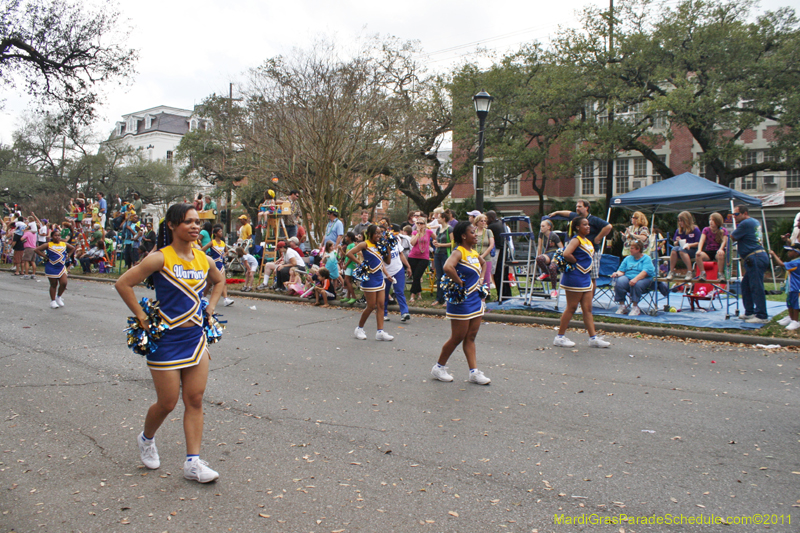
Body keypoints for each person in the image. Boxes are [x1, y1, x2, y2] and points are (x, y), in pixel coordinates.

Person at [115, 203, 225, 483]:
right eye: (188, 221)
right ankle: (146, 438)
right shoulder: (159, 259)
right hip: (166, 339)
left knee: (195, 399)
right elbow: (123, 283)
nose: (195, 226)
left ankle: (193, 463)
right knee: (167, 402)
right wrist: (141, 316)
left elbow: (219, 280)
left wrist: (211, 306)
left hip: (195, 339)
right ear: (172, 225)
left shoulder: (204, 259)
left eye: (197, 222)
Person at [430, 221, 491, 385]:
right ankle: (438, 367)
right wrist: (459, 282)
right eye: (472, 232)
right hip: (461, 301)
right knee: (457, 337)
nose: (476, 234)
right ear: (463, 236)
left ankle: (474, 372)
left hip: (475, 300)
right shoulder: (459, 252)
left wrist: (481, 280)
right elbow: (447, 267)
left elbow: (484, 263)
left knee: (471, 337)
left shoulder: (472, 252)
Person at [553, 217, 611, 348]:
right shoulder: (575, 240)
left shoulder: (587, 240)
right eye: (585, 225)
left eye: (588, 224)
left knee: (587, 309)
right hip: (575, 277)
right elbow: (567, 253)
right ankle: (559, 337)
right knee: (572, 307)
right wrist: (576, 263)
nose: (588, 227)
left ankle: (593, 338)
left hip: (585, 277)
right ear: (577, 227)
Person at [548, 200, 612, 297]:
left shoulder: (594, 219)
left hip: (592, 252)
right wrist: (556, 212)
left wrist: (598, 238)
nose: (577, 208)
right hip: (578, 253)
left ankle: (588, 300)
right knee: (578, 274)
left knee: (591, 277)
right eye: (577, 206)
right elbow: (567, 213)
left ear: (586, 207)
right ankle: (579, 299)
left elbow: (608, 226)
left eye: (580, 206)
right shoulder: (576, 218)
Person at [346, 224, 394, 341]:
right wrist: (361, 263)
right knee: (371, 306)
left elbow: (385, 261)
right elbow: (349, 254)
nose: (379, 235)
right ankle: (359, 329)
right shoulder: (365, 244)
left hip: (379, 277)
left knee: (381, 305)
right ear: (371, 233)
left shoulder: (380, 245)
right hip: (369, 278)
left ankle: (380, 332)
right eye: (376, 233)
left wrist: (388, 249)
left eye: (380, 233)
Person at [731, 205, 769, 323]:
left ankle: (761, 315)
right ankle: (749, 312)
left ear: (744, 213)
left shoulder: (745, 223)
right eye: (733, 214)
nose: (734, 217)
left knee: (756, 286)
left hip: (755, 257)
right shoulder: (754, 222)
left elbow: (732, 237)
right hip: (757, 256)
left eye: (736, 214)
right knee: (746, 285)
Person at [611, 241, 656, 316]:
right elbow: (622, 271)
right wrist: (616, 274)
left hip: (644, 278)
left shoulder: (646, 258)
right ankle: (622, 305)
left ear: (638, 249)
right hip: (628, 277)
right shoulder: (628, 258)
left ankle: (635, 307)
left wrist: (635, 279)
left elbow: (645, 272)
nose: (630, 250)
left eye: (632, 248)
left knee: (636, 284)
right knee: (619, 281)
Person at [34, 230, 75, 308]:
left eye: (59, 235)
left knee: (64, 283)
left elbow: (73, 248)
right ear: (52, 236)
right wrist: (45, 257)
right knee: (53, 284)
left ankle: (58, 297)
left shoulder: (64, 244)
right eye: (56, 235)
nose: (58, 237)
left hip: (61, 267)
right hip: (52, 266)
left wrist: (68, 255)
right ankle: (53, 301)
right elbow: (36, 250)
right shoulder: (48, 244)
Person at [384, 226, 412, 322]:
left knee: (399, 291)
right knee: (385, 293)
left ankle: (404, 312)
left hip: (398, 269)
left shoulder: (395, 242)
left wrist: (408, 266)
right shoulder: (380, 246)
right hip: (386, 272)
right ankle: (383, 313)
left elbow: (401, 254)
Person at [202, 224, 234, 307]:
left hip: (221, 264)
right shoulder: (212, 242)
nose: (221, 233)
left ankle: (226, 299)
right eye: (219, 232)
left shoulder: (223, 243)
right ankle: (203, 296)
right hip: (214, 265)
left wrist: (225, 254)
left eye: (221, 231)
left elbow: (227, 251)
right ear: (215, 234)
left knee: (223, 282)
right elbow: (202, 250)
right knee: (209, 283)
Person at [770, 243, 800, 330]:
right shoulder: (794, 262)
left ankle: (795, 321)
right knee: (789, 302)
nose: (788, 253)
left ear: (797, 252)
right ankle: (791, 318)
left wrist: (773, 254)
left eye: (790, 251)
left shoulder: (796, 262)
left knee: (795, 304)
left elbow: (782, 264)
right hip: (791, 286)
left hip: (796, 287)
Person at [666, 211, 702, 281]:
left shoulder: (695, 230)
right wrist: (677, 241)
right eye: (679, 221)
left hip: (692, 250)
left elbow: (699, 243)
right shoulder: (678, 231)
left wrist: (689, 245)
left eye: (682, 221)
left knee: (681, 251)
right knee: (674, 249)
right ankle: (671, 271)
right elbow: (675, 243)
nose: (680, 223)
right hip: (681, 249)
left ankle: (689, 271)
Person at [408, 215, 435, 303]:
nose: (419, 224)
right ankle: (419, 293)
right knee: (416, 276)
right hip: (413, 256)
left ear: (425, 224)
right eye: (418, 223)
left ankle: (412, 294)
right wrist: (418, 233)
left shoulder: (429, 232)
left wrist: (435, 243)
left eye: (421, 223)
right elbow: (412, 243)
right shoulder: (415, 232)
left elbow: (437, 238)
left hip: (424, 257)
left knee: (417, 275)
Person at [696, 212, 729, 281]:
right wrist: (699, 249)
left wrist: (721, 249)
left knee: (720, 255)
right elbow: (701, 240)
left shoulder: (723, 230)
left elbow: (724, 241)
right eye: (710, 220)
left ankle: (720, 274)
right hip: (708, 251)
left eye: (713, 220)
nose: (711, 222)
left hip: (717, 250)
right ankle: (702, 273)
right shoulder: (706, 229)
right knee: (698, 255)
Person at [486, 211, 512, 299]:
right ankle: (507, 294)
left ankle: (500, 295)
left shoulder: (491, 227)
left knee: (497, 274)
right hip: (504, 250)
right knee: (504, 274)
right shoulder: (501, 223)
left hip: (497, 251)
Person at [431, 210, 453, 306]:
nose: (437, 219)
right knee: (439, 277)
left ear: (444, 218)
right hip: (437, 254)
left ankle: (446, 298)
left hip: (445, 254)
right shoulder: (439, 229)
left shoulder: (450, 229)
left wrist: (441, 245)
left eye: (439, 217)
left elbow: (453, 243)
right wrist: (435, 243)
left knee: (446, 276)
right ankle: (438, 298)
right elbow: (436, 239)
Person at [535, 219, 561, 284]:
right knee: (539, 258)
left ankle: (554, 288)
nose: (541, 228)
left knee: (552, 267)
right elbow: (539, 246)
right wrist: (538, 256)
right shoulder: (541, 235)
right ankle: (546, 272)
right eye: (540, 226)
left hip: (554, 253)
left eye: (543, 226)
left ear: (549, 227)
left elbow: (561, 247)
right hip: (547, 254)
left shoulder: (553, 235)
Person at [341, 232, 359, 304]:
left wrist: (346, 265)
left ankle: (353, 296)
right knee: (349, 281)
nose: (345, 238)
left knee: (347, 280)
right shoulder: (349, 245)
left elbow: (352, 257)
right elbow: (346, 256)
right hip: (348, 265)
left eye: (346, 236)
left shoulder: (352, 245)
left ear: (350, 237)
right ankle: (348, 296)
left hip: (351, 265)